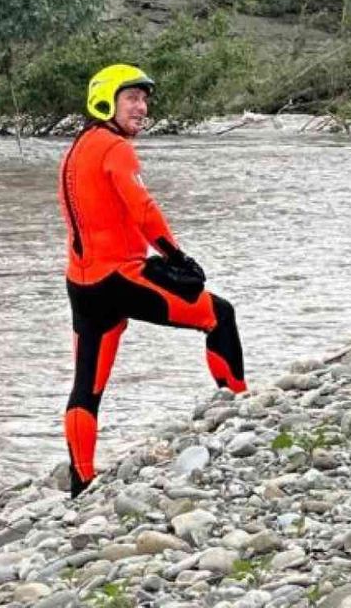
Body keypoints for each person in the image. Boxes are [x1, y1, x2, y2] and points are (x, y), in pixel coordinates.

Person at [57, 64, 247, 499]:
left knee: (87, 385)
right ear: (106, 99)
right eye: (132, 99)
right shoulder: (115, 149)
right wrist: (176, 255)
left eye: (144, 99)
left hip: (82, 285)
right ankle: (241, 413)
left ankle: (81, 482)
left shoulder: (76, 149)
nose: (142, 107)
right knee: (219, 314)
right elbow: (142, 208)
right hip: (121, 277)